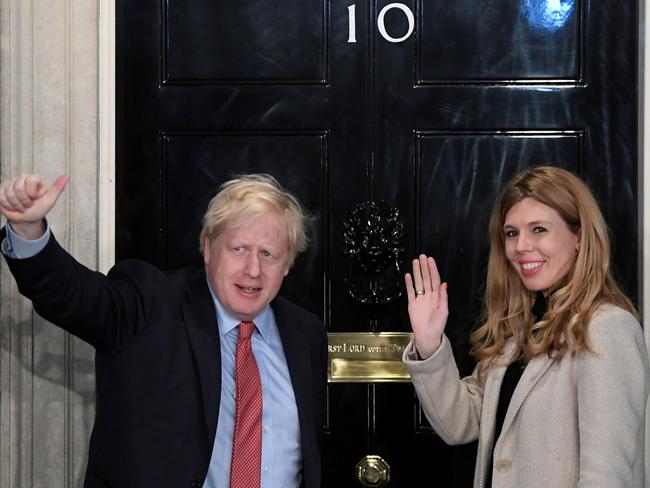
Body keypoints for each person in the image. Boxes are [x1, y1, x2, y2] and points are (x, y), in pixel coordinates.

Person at [0, 173, 327, 488]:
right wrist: (29, 231)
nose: (253, 270)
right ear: (208, 248)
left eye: (268, 254)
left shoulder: (305, 334)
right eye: (239, 249)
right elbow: (74, 296)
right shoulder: (149, 304)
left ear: (287, 265)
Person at [402, 166, 649, 487]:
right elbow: (458, 425)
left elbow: (606, 475)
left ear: (579, 237)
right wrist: (429, 343)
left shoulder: (607, 328)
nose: (521, 246)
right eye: (512, 233)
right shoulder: (518, 331)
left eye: (539, 229)